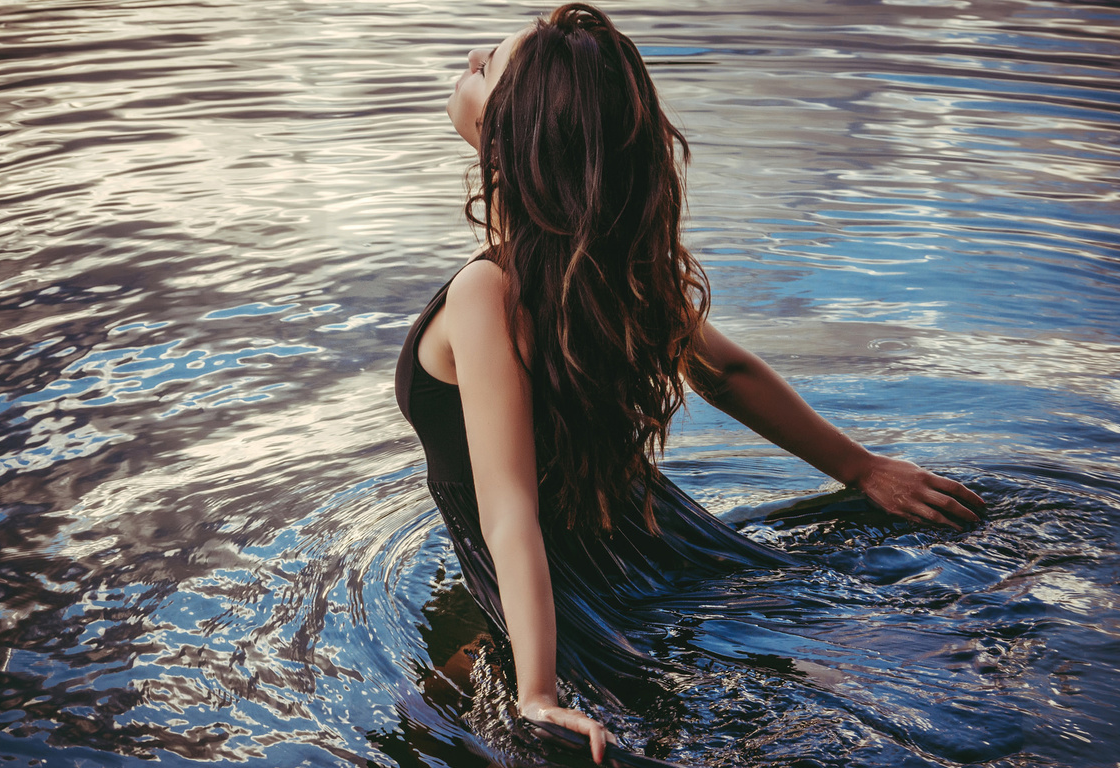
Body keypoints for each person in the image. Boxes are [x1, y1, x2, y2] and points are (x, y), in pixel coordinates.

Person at [394, 3, 987, 764]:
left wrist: (537, 691)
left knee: (417, 732)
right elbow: (727, 374)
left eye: (486, 67)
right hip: (644, 543)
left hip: (568, 585)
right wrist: (860, 467)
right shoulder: (610, 263)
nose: (470, 56)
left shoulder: (487, 293)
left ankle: (504, 664)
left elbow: (511, 513)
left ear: (516, 132)